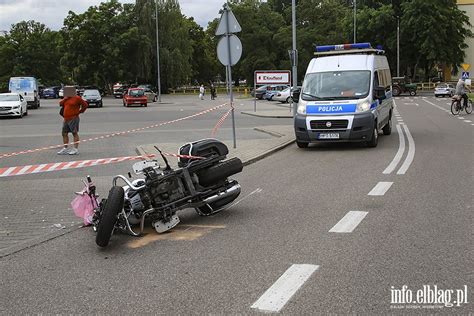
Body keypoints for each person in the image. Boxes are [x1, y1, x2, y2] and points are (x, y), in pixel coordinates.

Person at [58, 87, 88, 155]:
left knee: (74, 133)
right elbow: (60, 104)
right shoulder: (66, 98)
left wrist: (80, 111)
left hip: (73, 118)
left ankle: (75, 149)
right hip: (66, 118)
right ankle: (65, 148)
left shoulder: (77, 98)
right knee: (64, 133)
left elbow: (85, 105)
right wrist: (65, 99)